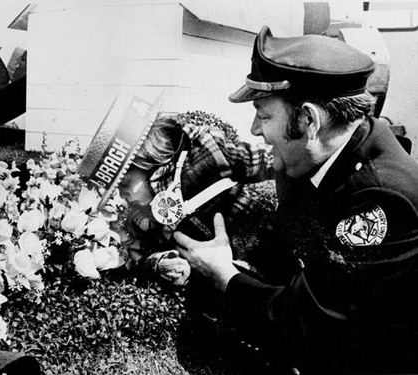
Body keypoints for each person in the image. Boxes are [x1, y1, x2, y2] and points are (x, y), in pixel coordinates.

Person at [174, 25, 418, 374]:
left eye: (264, 114)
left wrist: (223, 274)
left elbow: (310, 329)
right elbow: (295, 252)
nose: (255, 130)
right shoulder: (315, 156)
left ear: (308, 120)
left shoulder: (381, 201)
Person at [118, 115, 277, 287]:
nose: (122, 195)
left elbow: (267, 160)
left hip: (265, 249)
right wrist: (160, 263)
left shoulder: (206, 152)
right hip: (224, 286)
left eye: (125, 183)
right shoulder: (141, 218)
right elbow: (139, 257)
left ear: (147, 160)